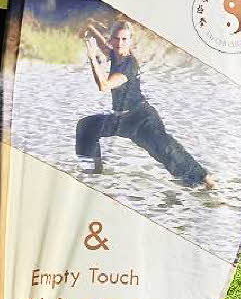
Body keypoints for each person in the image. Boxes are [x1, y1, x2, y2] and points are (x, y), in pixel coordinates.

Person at [76, 20, 215, 189]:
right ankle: (92, 173)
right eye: (117, 39)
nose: (120, 43)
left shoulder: (129, 65)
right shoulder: (115, 53)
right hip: (121, 120)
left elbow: (104, 85)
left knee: (166, 151)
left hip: (141, 118)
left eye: (125, 39)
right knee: (86, 126)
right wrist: (89, 28)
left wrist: (92, 57)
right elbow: (103, 44)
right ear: (112, 40)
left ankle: (203, 179)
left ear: (130, 41)